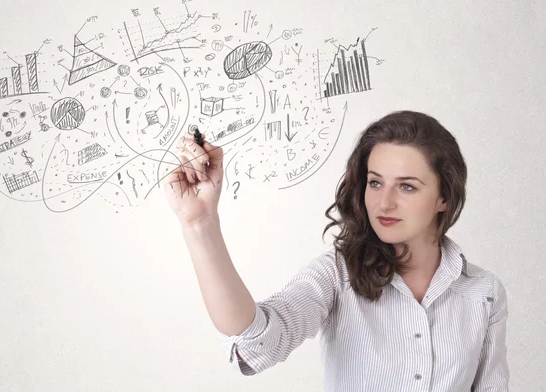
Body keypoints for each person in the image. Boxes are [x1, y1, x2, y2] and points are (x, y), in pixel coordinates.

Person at [164, 110, 509, 391]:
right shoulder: (335, 274)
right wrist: (200, 225)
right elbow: (258, 344)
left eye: (407, 186)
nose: (384, 203)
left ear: (444, 197)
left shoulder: (484, 292)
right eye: (375, 182)